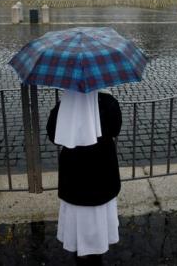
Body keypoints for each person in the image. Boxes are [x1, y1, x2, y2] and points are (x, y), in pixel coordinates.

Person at [46, 89, 122, 265]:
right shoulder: (108, 102)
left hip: (75, 171)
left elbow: (53, 135)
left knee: (77, 214)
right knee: (99, 214)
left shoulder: (65, 103)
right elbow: (115, 129)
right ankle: (97, 250)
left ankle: (81, 253)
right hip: (102, 167)